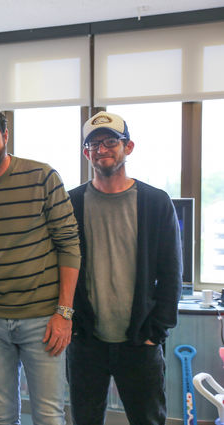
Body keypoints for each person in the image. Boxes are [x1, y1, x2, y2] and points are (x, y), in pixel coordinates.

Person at [0, 101, 81, 425]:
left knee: (49, 416)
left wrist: (64, 312)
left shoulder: (43, 177)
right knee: (1, 414)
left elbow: (69, 245)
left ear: (5, 135)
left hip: (42, 319)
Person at [67, 111, 182, 425]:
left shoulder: (155, 202)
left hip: (139, 341)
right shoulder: (71, 203)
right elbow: (60, 268)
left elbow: (171, 272)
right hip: (86, 341)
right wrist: (72, 325)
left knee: (148, 420)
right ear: (85, 153)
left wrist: (156, 332)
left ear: (127, 146)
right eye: (93, 145)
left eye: (109, 142)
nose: (101, 150)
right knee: (85, 420)